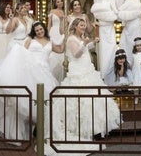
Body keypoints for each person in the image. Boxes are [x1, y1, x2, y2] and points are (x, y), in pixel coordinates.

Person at [51, 18, 121, 154]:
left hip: (87, 68)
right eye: (81, 25)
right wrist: (85, 43)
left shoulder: (81, 37)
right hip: (78, 70)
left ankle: (98, 128)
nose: (83, 27)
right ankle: (83, 129)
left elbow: (83, 49)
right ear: (75, 26)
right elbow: (76, 54)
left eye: (84, 25)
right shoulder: (71, 39)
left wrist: (91, 43)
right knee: (82, 100)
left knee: (94, 98)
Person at [0, 21, 63, 141]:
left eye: (41, 29)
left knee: (44, 100)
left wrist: (65, 36)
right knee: (27, 99)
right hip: (31, 71)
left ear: (44, 29)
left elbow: (60, 50)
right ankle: (21, 130)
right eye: (37, 30)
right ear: (34, 31)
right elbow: (21, 53)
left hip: (44, 72)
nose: (39, 32)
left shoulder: (50, 42)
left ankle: (40, 128)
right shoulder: (30, 40)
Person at [90, 0, 119, 79]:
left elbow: (114, 9)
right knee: (104, 52)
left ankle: (113, 75)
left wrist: (114, 15)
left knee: (112, 50)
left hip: (110, 27)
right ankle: (104, 76)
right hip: (102, 27)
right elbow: (98, 14)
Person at [116, 0, 141, 66]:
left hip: (134, 24)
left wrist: (121, 14)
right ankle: (126, 65)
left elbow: (133, 12)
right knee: (125, 44)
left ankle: (135, 65)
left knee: (133, 44)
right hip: (127, 24)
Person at [48, 0, 66, 81]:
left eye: (61, 1)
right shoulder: (52, 11)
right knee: (53, 53)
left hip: (61, 33)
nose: (60, 3)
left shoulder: (65, 12)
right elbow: (49, 24)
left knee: (62, 52)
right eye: (58, 2)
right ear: (55, 3)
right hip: (53, 32)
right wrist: (47, 35)